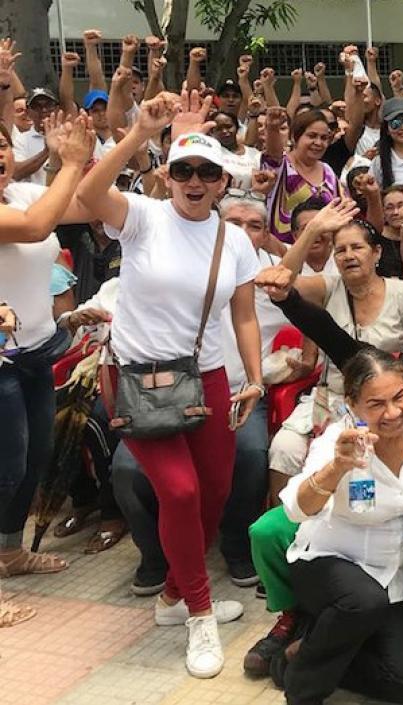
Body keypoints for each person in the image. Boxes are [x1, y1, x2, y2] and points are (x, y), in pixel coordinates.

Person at [76, 93, 266, 678]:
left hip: (208, 379)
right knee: (180, 494)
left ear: (222, 182)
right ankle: (199, 614)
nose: (195, 181)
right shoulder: (143, 216)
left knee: (214, 493)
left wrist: (256, 377)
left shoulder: (233, 240)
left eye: (207, 171)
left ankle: (173, 596)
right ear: (167, 175)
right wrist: (139, 133)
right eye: (184, 170)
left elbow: (244, 316)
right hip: (138, 379)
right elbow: (89, 194)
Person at [244, 275, 403, 678]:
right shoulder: (375, 364)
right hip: (343, 493)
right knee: (268, 530)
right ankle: (296, 617)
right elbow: (325, 330)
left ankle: (330, 634)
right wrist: (288, 299)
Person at [110, 193, 291, 595]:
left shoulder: (259, 274)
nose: (243, 231)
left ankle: (233, 549)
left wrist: (256, 382)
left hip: (229, 395)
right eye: (235, 222)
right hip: (155, 394)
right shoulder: (159, 262)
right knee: (131, 471)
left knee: (246, 458)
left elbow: (265, 307)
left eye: (255, 226)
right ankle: (158, 560)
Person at [274, 347, 403, 702]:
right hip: (331, 562)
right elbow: (297, 508)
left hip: (395, 575)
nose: (392, 412)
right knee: (364, 602)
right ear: (352, 404)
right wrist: (336, 468)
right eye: (376, 404)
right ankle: (300, 686)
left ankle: (308, 648)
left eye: (399, 397)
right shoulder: (337, 442)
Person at [0, 114, 96, 626]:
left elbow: (82, 205)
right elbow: (38, 226)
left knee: (34, 459)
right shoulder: (21, 210)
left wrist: (139, 138)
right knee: (4, 471)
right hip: (1, 362)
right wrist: (71, 162)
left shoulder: (20, 193)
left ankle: (10, 551)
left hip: (35, 351)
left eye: (0, 145)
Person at [266, 199, 403, 500]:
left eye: (357, 247)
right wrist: (313, 230)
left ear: (376, 252)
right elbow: (279, 282)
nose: (348, 255)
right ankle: (285, 519)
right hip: (332, 397)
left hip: (381, 402)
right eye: (340, 250)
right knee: (284, 447)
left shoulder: (402, 292)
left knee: (358, 463)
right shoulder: (329, 286)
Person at [261, 108, 344, 243]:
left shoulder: (328, 171)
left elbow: (341, 210)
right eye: (312, 136)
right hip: (284, 248)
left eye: (324, 138)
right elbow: (273, 152)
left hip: (323, 248)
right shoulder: (282, 165)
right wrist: (272, 128)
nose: (318, 143)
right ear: (295, 137)